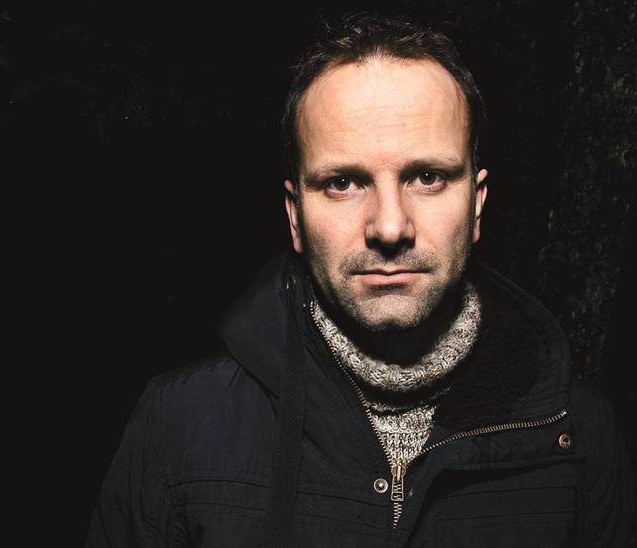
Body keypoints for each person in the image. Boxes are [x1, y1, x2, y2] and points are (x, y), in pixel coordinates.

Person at [86, 12, 636, 547]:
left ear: (476, 205)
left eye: (428, 177)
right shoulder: (180, 423)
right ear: (295, 217)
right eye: (344, 183)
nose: (390, 227)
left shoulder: (580, 435)